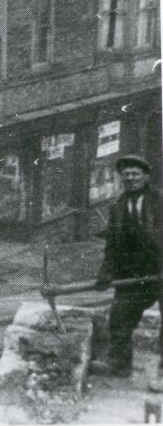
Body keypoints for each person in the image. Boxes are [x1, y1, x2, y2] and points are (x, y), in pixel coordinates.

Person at [92, 154, 161, 377]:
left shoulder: (159, 202)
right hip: (132, 273)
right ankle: (120, 366)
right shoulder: (118, 207)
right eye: (126, 174)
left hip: (160, 270)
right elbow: (113, 243)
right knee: (119, 317)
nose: (131, 178)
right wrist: (105, 271)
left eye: (135, 174)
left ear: (146, 177)